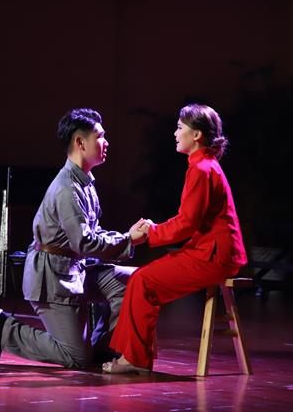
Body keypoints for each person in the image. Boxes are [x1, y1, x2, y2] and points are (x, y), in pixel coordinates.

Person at [0, 108, 147, 369]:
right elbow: (84, 243)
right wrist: (129, 240)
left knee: (134, 282)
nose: (106, 142)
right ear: (80, 143)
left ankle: (104, 349)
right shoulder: (67, 189)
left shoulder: (84, 183)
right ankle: (5, 330)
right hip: (53, 278)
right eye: (100, 136)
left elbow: (91, 233)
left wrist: (126, 237)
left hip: (75, 270)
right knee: (76, 358)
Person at [103, 103, 247, 374]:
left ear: (197, 135)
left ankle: (135, 357)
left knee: (142, 281)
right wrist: (155, 229)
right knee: (142, 279)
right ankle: (135, 355)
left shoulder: (202, 169)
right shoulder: (204, 165)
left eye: (180, 128)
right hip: (212, 251)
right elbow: (189, 220)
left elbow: (187, 224)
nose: (175, 133)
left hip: (213, 256)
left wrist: (151, 232)